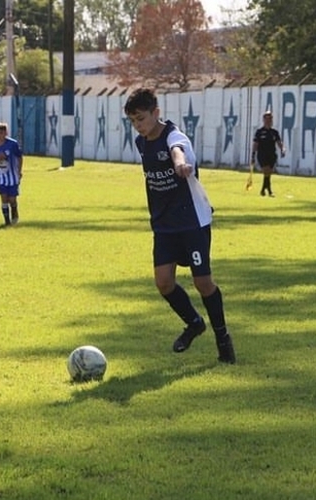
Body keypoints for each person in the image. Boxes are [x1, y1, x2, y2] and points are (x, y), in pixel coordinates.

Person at [124, 88, 235, 364]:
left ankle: (223, 339)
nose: (138, 126)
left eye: (142, 118)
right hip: (164, 224)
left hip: (192, 221)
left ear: (156, 113)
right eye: (133, 121)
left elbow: (177, 151)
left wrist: (181, 164)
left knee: (203, 282)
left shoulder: (175, 136)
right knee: (163, 283)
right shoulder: (142, 143)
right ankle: (195, 323)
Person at [0, 122, 23, 226]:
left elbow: (19, 157)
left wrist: (19, 171)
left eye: (1, 133)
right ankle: (7, 221)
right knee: (4, 198)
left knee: (12, 199)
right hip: (0, 176)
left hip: (12, 175)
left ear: (6, 133)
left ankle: (14, 211)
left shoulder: (12, 144)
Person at [252, 110, 285, 197]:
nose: (269, 121)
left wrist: (282, 149)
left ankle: (263, 189)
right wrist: (253, 154)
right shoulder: (259, 132)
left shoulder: (274, 132)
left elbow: (279, 142)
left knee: (269, 172)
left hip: (272, 154)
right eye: (267, 119)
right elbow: (255, 144)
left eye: (270, 119)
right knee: (266, 171)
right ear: (264, 120)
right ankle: (269, 190)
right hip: (262, 154)